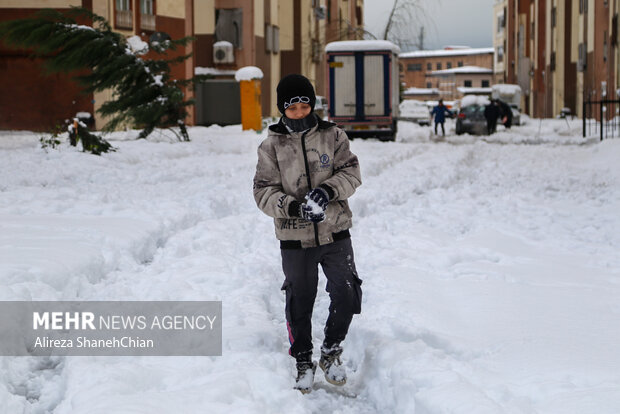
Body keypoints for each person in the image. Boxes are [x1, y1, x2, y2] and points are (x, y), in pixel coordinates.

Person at [253, 74, 363, 394]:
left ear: (312, 105)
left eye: (304, 105)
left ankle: (330, 351)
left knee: (346, 293)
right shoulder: (271, 146)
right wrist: (293, 207)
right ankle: (303, 359)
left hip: (335, 231)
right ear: (282, 110)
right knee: (300, 300)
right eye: (293, 107)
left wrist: (326, 192)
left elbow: (351, 173)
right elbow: (263, 192)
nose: (300, 112)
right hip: (294, 237)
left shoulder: (333, 136)